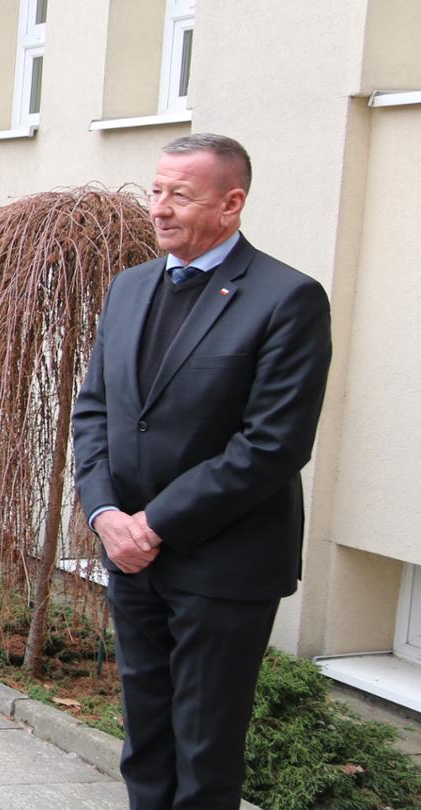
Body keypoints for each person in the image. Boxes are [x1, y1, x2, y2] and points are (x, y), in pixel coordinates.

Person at [72, 133, 331, 810]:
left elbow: (272, 445)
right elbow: (94, 413)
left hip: (224, 567)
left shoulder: (287, 300)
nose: (158, 207)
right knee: (146, 745)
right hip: (131, 560)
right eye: (157, 190)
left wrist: (153, 524)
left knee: (205, 754)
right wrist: (104, 515)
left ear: (232, 203)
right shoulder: (129, 289)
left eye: (179, 195)